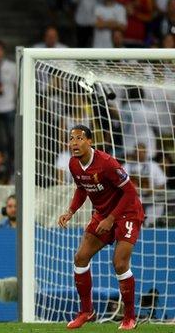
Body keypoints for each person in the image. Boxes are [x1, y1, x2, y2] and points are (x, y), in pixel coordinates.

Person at [58, 125, 143, 330]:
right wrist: (70, 211)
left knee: (120, 264)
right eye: (71, 139)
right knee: (80, 257)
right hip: (103, 214)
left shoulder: (106, 163)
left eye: (79, 138)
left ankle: (129, 317)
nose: (74, 143)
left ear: (90, 141)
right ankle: (86, 311)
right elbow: (82, 189)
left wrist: (112, 218)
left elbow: (130, 193)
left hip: (127, 213)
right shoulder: (74, 164)